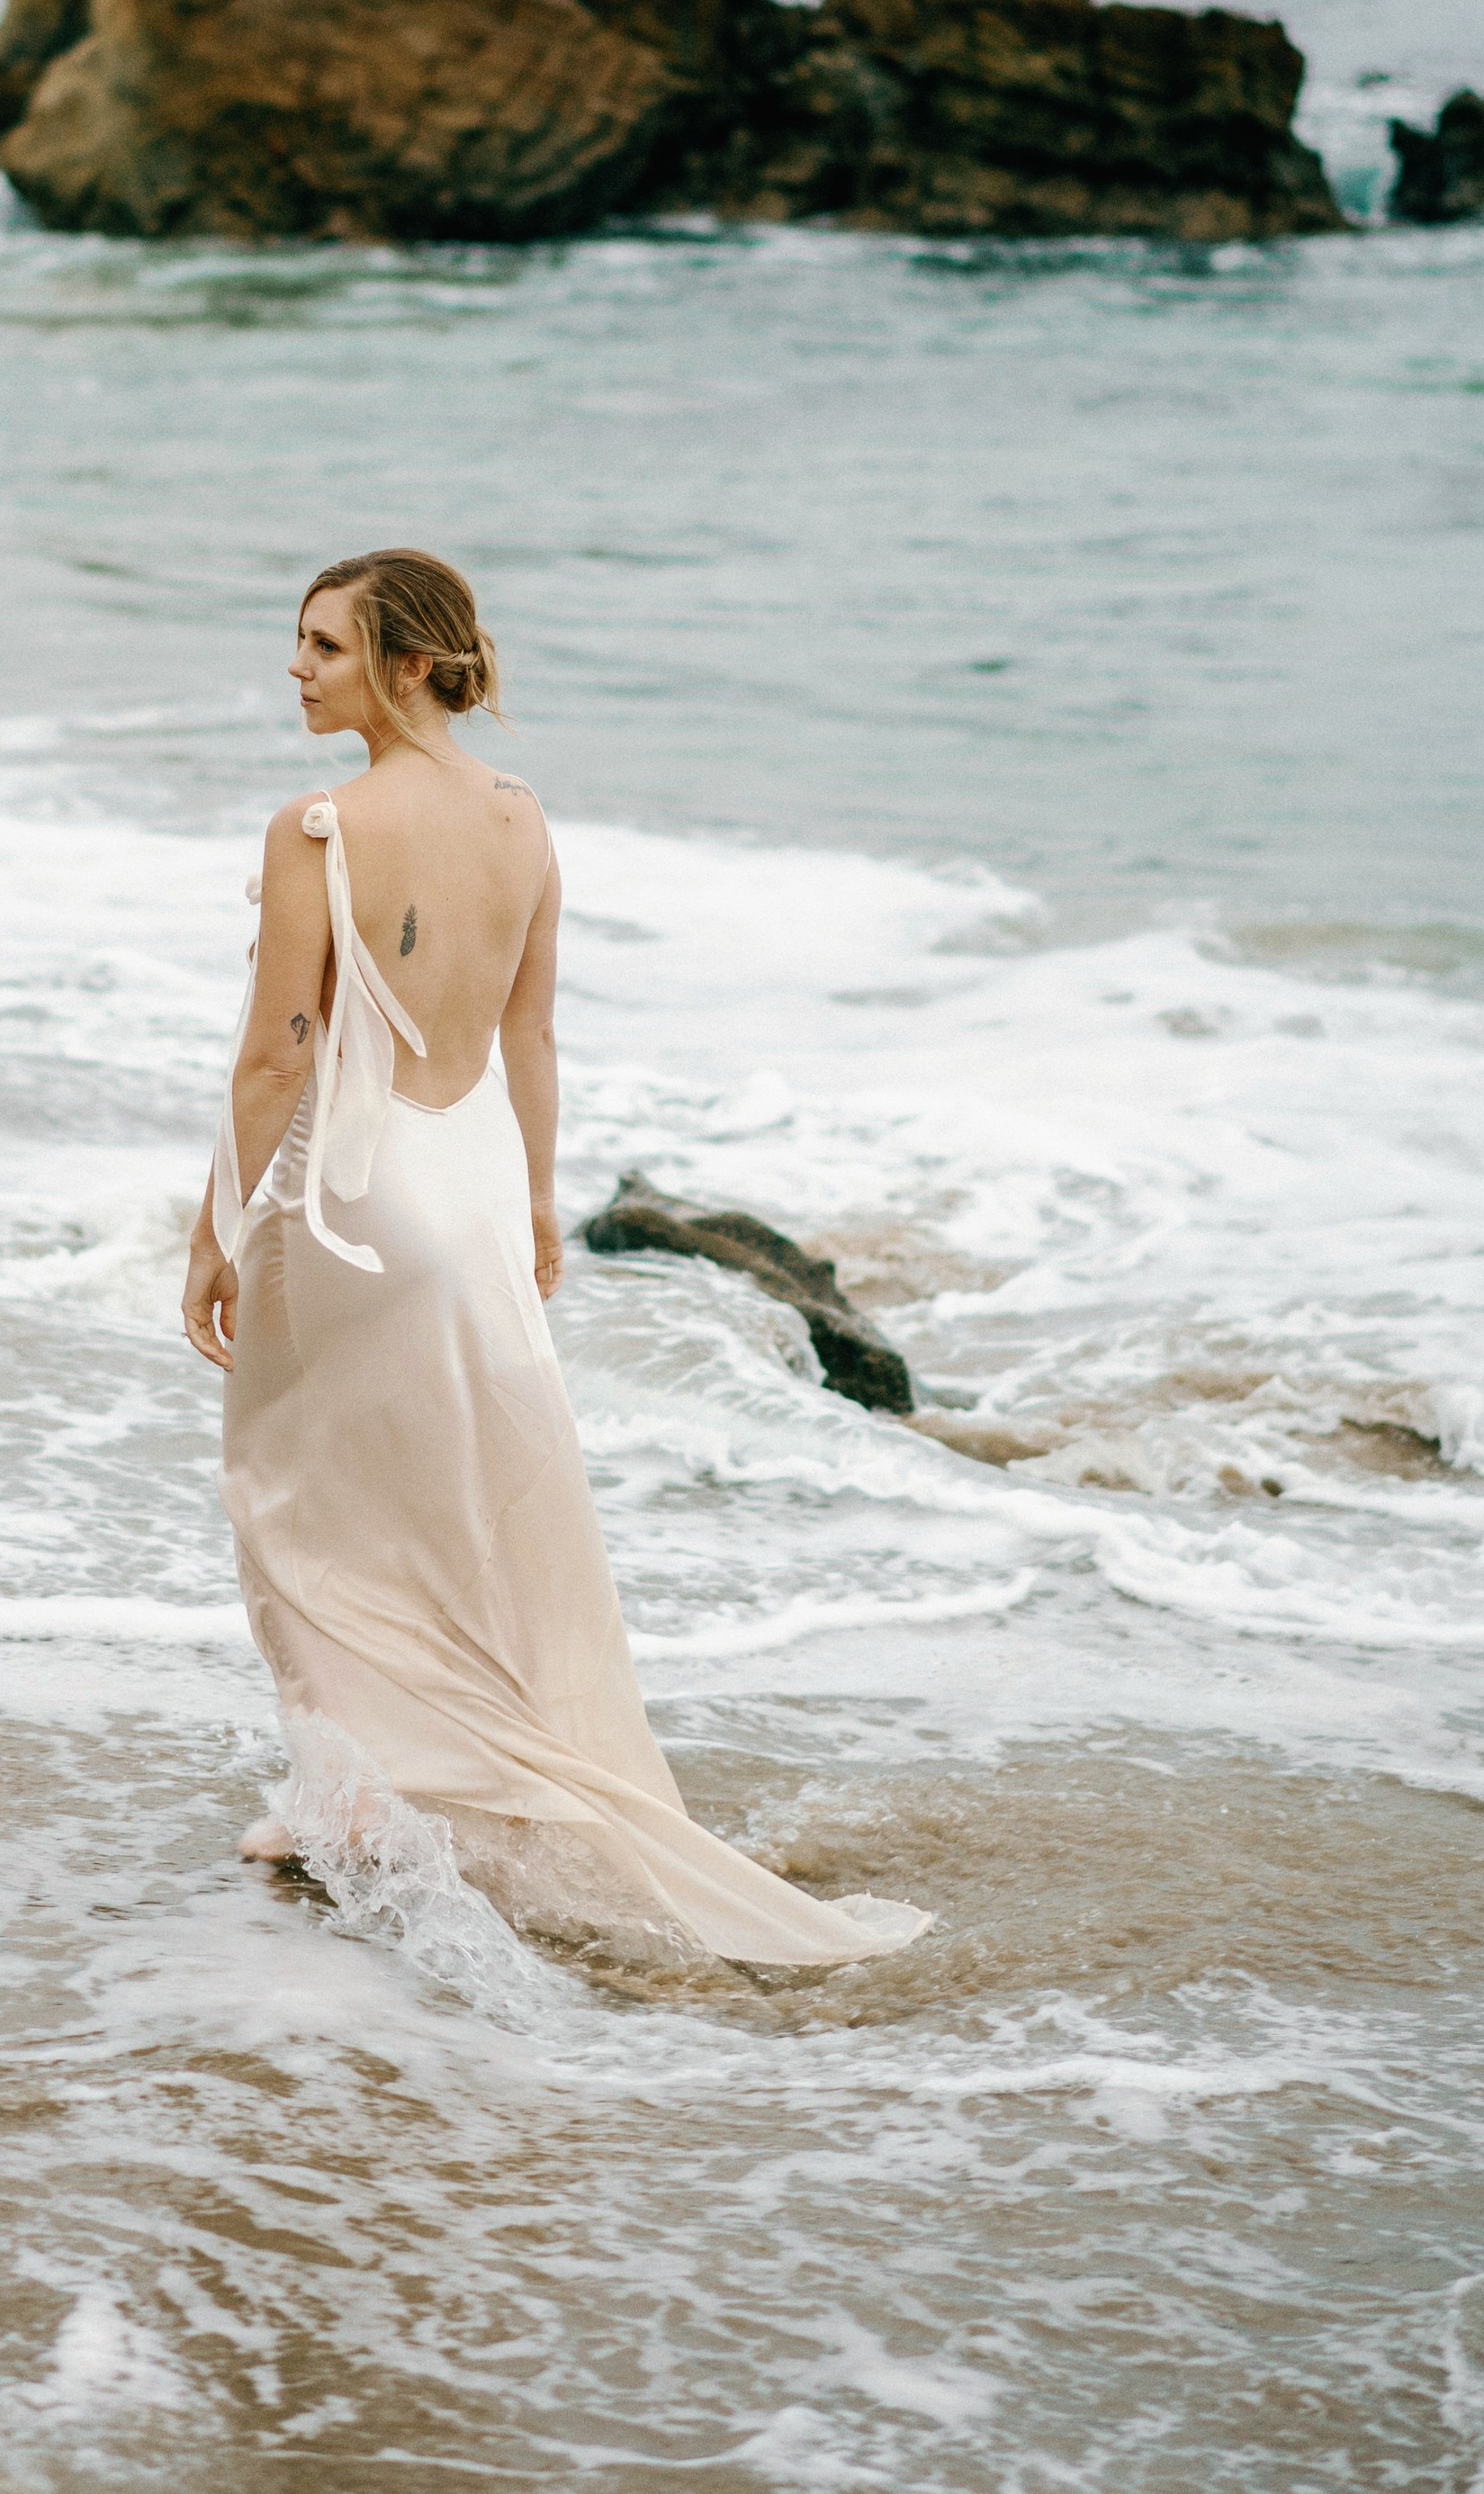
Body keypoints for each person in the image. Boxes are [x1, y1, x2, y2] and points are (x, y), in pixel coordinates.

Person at [182, 547, 931, 1970]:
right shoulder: (525, 825)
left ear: (408, 664)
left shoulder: (318, 829)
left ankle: (351, 1798)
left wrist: (214, 1229)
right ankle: (429, 1787)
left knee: (294, 1495)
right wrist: (532, 1205)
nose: (296, 669)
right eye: (297, 643)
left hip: (350, 1206)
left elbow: (280, 1057)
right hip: (460, 1192)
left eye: (326, 646)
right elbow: (527, 1040)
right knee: (454, 1503)